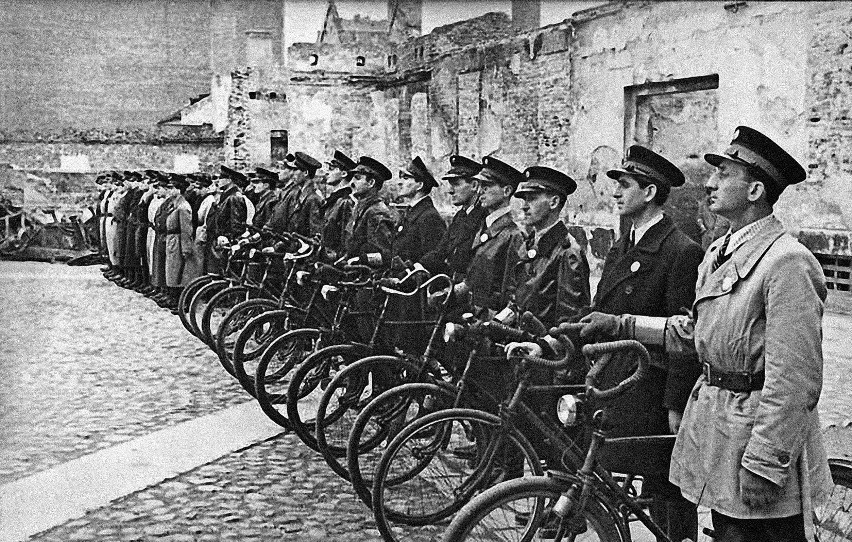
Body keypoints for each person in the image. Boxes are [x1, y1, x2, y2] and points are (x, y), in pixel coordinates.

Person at [580, 127, 832, 542]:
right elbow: (697, 334)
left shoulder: (787, 262)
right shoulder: (720, 251)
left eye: (724, 174)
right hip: (720, 429)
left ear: (754, 190)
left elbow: (795, 379)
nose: (709, 183)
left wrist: (766, 460)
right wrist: (622, 324)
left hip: (756, 438)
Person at [594, 145, 703, 542]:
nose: (615, 193)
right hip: (618, 379)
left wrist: (676, 404)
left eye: (624, 185)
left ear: (650, 192)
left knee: (665, 491)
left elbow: (684, 336)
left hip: (653, 389)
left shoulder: (681, 251)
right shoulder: (622, 244)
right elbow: (600, 313)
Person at [504, 166, 590, 331]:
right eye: (524, 199)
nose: (524, 206)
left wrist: (545, 345)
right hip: (519, 343)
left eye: (533, 199)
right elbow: (516, 301)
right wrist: (497, 323)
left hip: (545, 351)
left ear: (554, 202)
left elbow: (571, 318)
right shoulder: (528, 244)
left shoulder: (568, 252)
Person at [452, 156, 525, 318]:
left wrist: (497, 323)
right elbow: (474, 276)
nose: (480, 191)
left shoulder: (513, 235)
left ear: (506, 191)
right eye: (480, 186)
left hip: (491, 323)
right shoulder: (484, 227)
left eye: (487, 186)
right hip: (472, 314)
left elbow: (513, 292)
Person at [420, 154, 486, 281]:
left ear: (474, 186)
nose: (450, 191)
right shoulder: (460, 216)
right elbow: (440, 252)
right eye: (450, 184)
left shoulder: (484, 218)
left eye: (456, 184)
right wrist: (414, 268)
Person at [342, 156, 396, 266]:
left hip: (368, 276)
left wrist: (361, 260)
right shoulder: (361, 208)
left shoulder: (376, 212)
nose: (351, 182)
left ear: (371, 183)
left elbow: (384, 254)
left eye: (357, 178)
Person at [393, 155, 447, 265]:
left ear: (419, 185)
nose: (400, 182)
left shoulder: (429, 217)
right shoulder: (410, 212)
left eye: (406, 178)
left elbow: (432, 259)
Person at [164, 175, 195, 311]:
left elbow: (186, 229)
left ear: (179, 190)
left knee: (180, 272)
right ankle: (174, 299)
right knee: (172, 271)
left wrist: (186, 249)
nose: (169, 191)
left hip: (179, 241)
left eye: (172, 188)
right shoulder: (175, 204)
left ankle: (182, 303)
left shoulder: (183, 206)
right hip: (173, 240)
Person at [319, 150, 357, 260]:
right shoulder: (334, 200)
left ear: (344, 173)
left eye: (332, 168)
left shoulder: (345, 201)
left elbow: (346, 239)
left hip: (335, 261)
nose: (327, 172)